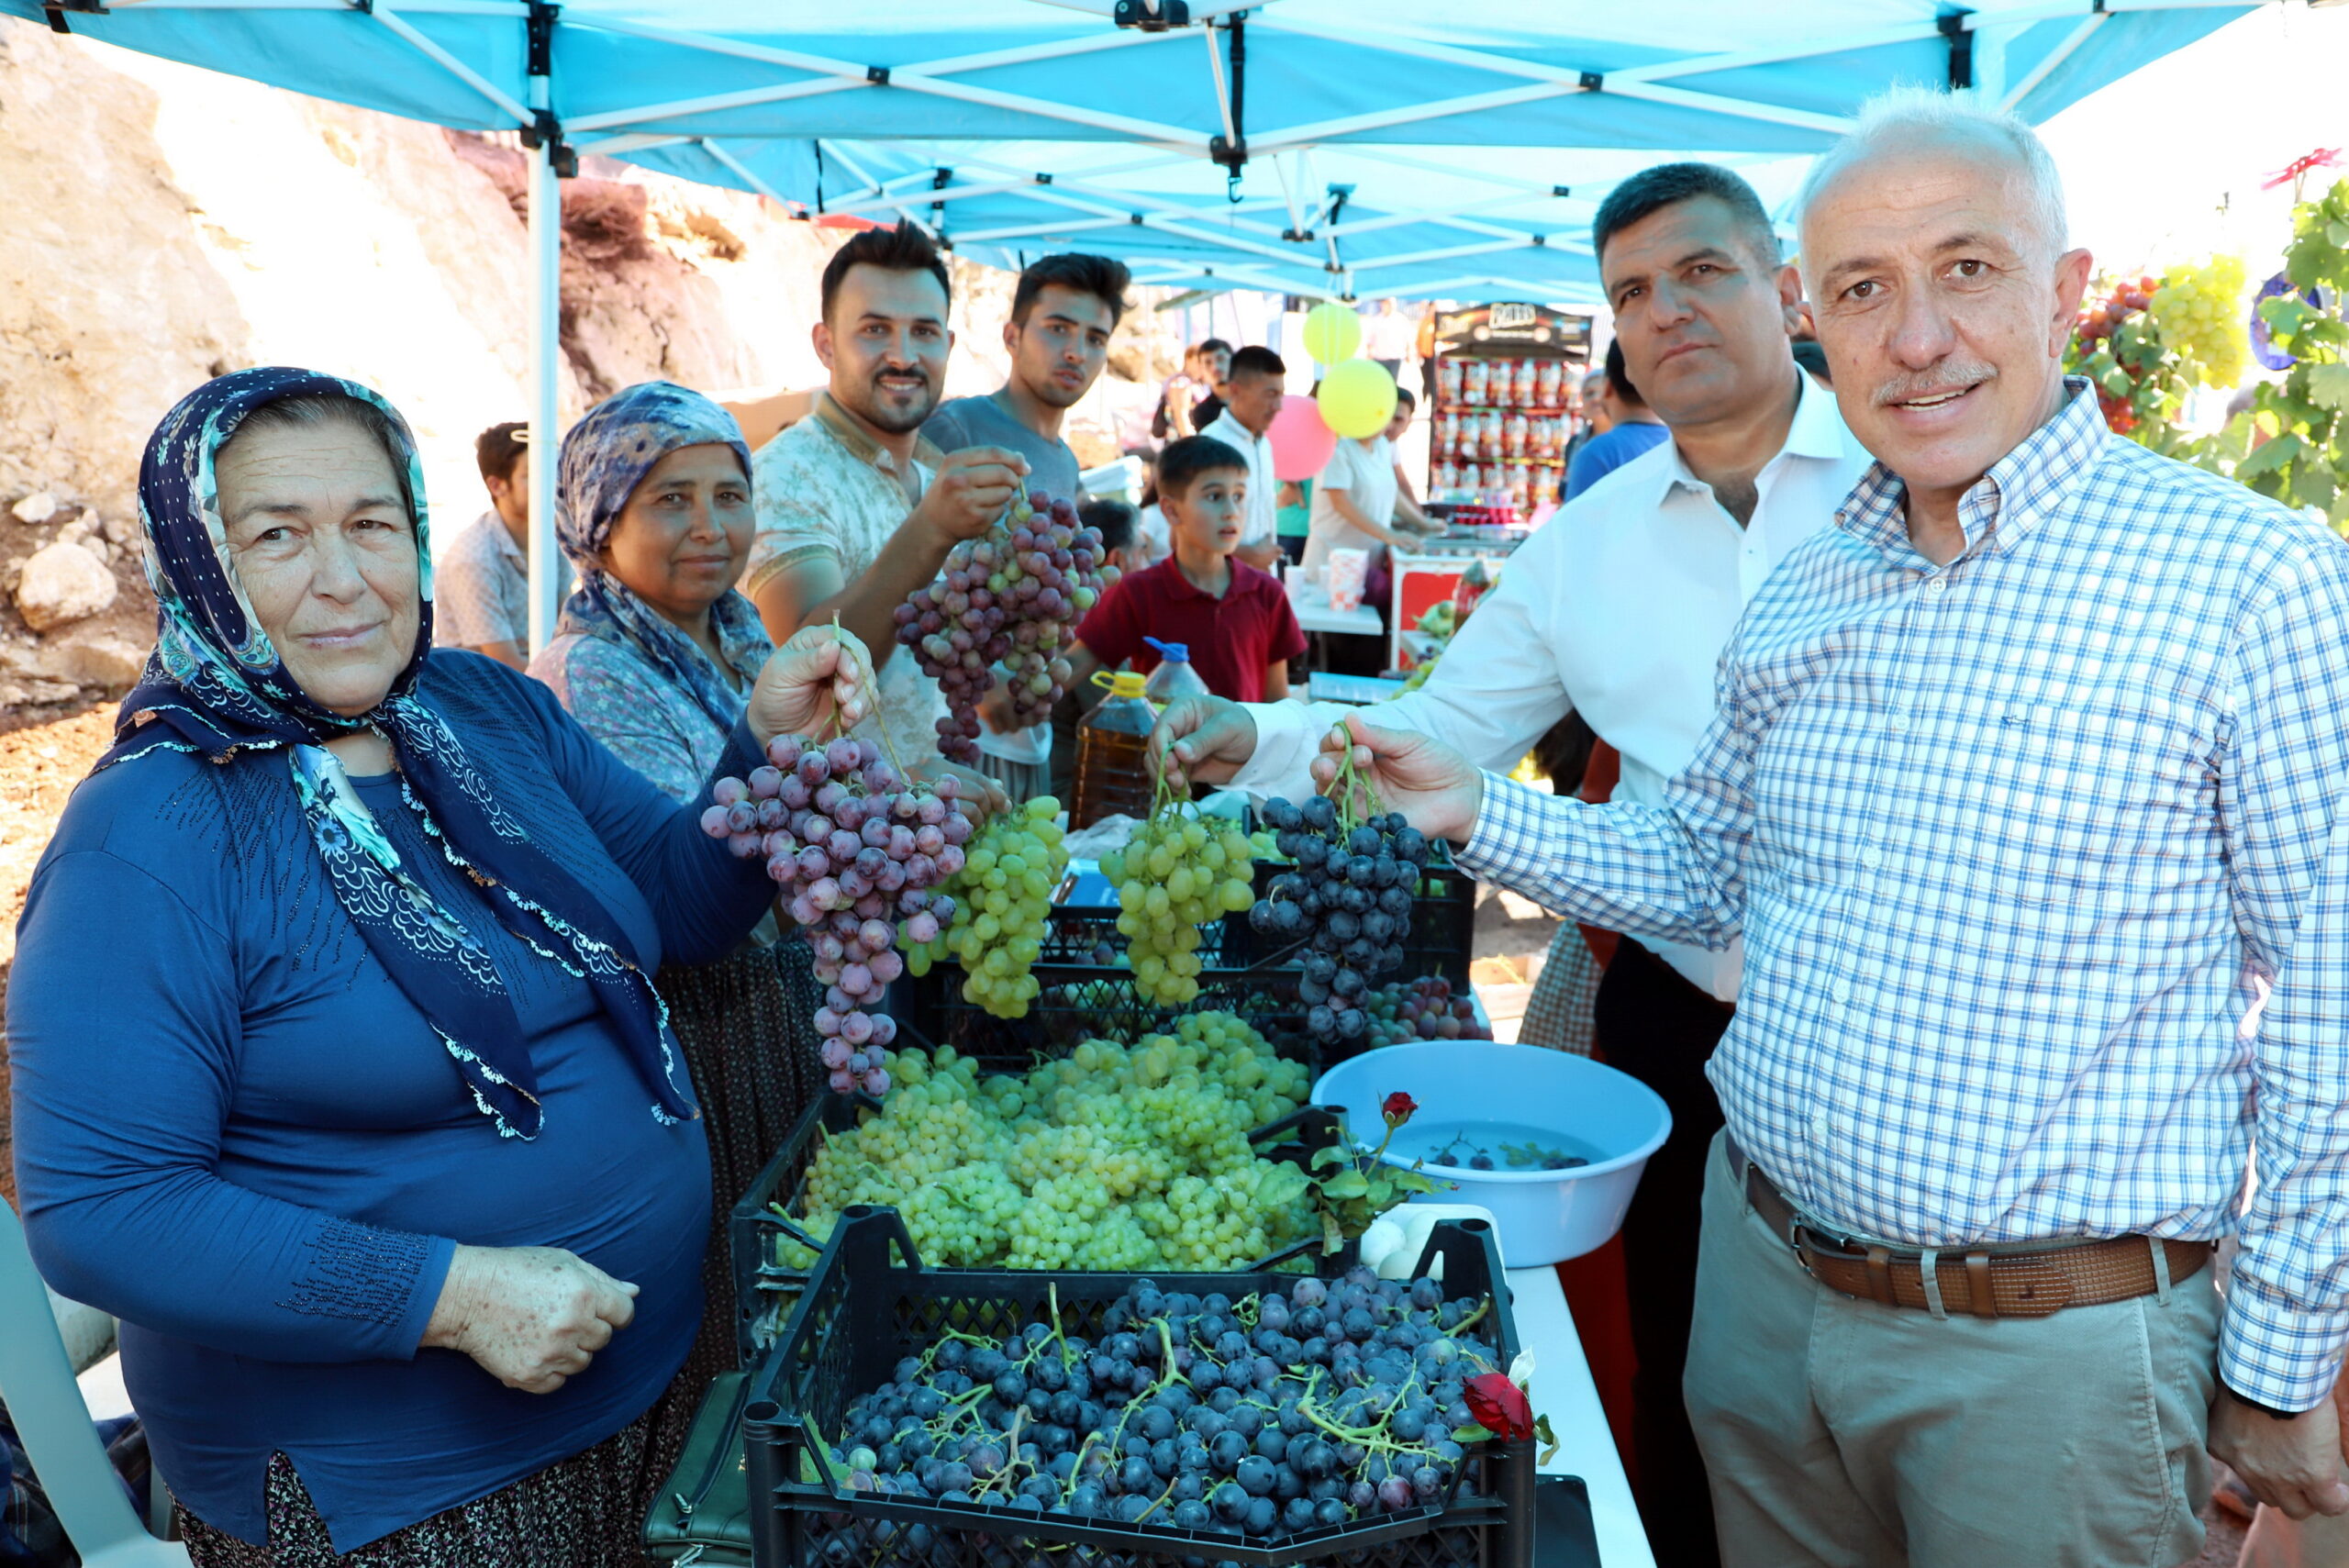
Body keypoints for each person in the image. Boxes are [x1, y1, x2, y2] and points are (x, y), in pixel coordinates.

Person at [1305, 90, 2349, 1568]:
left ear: (2062, 290)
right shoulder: (1809, 590)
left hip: (2044, 1359)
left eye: (1968, 269)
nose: (1917, 336)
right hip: (1765, 1293)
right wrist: (1477, 811)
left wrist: (2286, 1357)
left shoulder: (2247, 578)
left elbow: (2332, 996)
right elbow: (1702, 868)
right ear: (1817, 318)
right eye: (1865, 288)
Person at [5, 368, 874, 1567]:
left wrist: (765, 744)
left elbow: (679, 904)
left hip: (661, 1370)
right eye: (276, 535)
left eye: (373, 523)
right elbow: (105, 1208)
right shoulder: (146, 837)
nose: (347, 576)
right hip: (415, 1490)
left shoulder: (480, 708)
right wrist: (452, 1296)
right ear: (198, 563)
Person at [1146, 160, 1875, 1568]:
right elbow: (1433, 735)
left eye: (1702, 272)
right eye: (1630, 293)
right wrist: (1244, 731)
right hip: (1688, 1009)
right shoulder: (1584, 547)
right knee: (1695, 1377)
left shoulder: (1914, 476)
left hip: (1921, 1022)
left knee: (1911, 1387)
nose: (1666, 313)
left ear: (1783, 283)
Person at [526, 381, 827, 1450]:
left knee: (792, 1271)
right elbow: (697, 883)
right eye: (669, 501)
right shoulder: (591, 672)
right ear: (599, 524)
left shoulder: (740, 634)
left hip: (770, 1009)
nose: (711, 528)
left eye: (729, 494)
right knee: (736, 1296)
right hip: (699, 1030)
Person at [744, 220, 1025, 790]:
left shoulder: (932, 474)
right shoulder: (785, 473)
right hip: (833, 847)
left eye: (924, 332)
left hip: (932, 832)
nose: (903, 356)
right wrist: (932, 531)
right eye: (875, 330)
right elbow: (810, 667)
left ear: (947, 346)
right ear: (826, 344)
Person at [921, 253, 1132, 804]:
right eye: (1058, 328)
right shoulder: (955, 428)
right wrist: (988, 687)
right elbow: (907, 570)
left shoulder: (1064, 461)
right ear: (1012, 335)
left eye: (1094, 338)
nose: (1075, 352)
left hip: (1023, 731)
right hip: (952, 737)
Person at [1067, 435, 1304, 704]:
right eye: (1215, 496)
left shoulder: (1267, 592)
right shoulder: (1137, 593)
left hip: (1246, 746)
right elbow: (1071, 667)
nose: (1231, 511)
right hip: (1165, 744)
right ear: (1171, 510)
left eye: (1238, 496)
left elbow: (1277, 703)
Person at [1301, 388, 1436, 579]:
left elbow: (1391, 493)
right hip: (1330, 567)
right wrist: (1390, 535)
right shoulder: (1339, 448)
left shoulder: (1382, 445)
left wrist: (1424, 523)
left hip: (1366, 565)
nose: (1389, 425)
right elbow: (1341, 503)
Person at [435, 421, 532, 668]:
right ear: (497, 486)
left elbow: (564, 626)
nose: (552, 483)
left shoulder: (551, 540)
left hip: (538, 676)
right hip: (483, 692)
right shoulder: (473, 558)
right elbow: (506, 667)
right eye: (533, 475)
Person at [1197, 346, 1287, 573]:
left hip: (1261, 584)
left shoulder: (1264, 443)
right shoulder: (1210, 445)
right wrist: (1246, 556)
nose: (1278, 407)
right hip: (1222, 585)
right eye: (1270, 395)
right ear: (1235, 390)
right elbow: (1187, 531)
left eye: (1281, 395)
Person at [1564, 339, 1670, 500]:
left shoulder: (1598, 452)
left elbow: (1576, 523)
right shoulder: (1684, 447)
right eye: (1588, 393)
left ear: (1607, 388)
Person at [1365, 297, 1418, 381]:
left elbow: (1408, 337)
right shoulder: (1376, 320)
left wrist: (1409, 352)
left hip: (1395, 358)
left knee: (1392, 382)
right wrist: (1369, 351)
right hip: (1379, 357)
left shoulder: (1401, 319)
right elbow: (1370, 339)